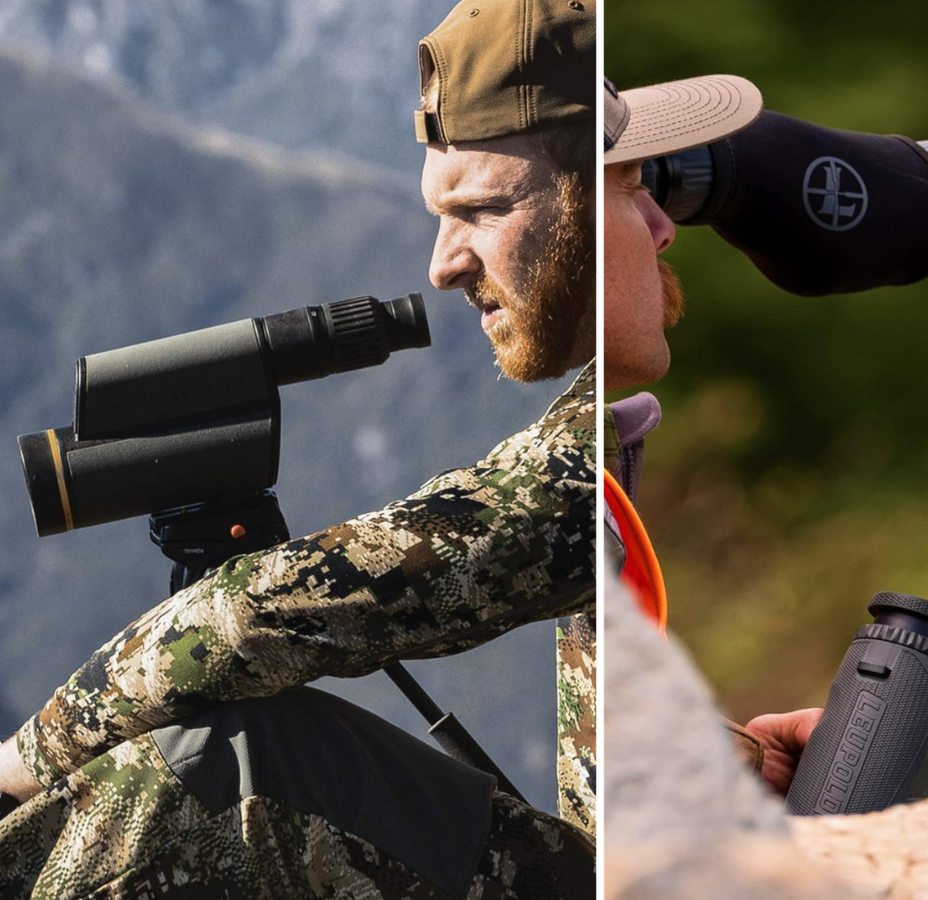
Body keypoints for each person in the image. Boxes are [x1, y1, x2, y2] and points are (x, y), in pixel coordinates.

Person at [0, 2, 599, 898]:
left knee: (226, 768)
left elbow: (293, 609)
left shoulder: (593, 446)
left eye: (480, 208)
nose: (441, 264)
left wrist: (25, 760)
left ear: (603, 186)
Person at [600, 72, 928, 796]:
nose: (664, 226)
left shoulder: (581, 467)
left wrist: (739, 761)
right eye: (628, 187)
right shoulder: (503, 481)